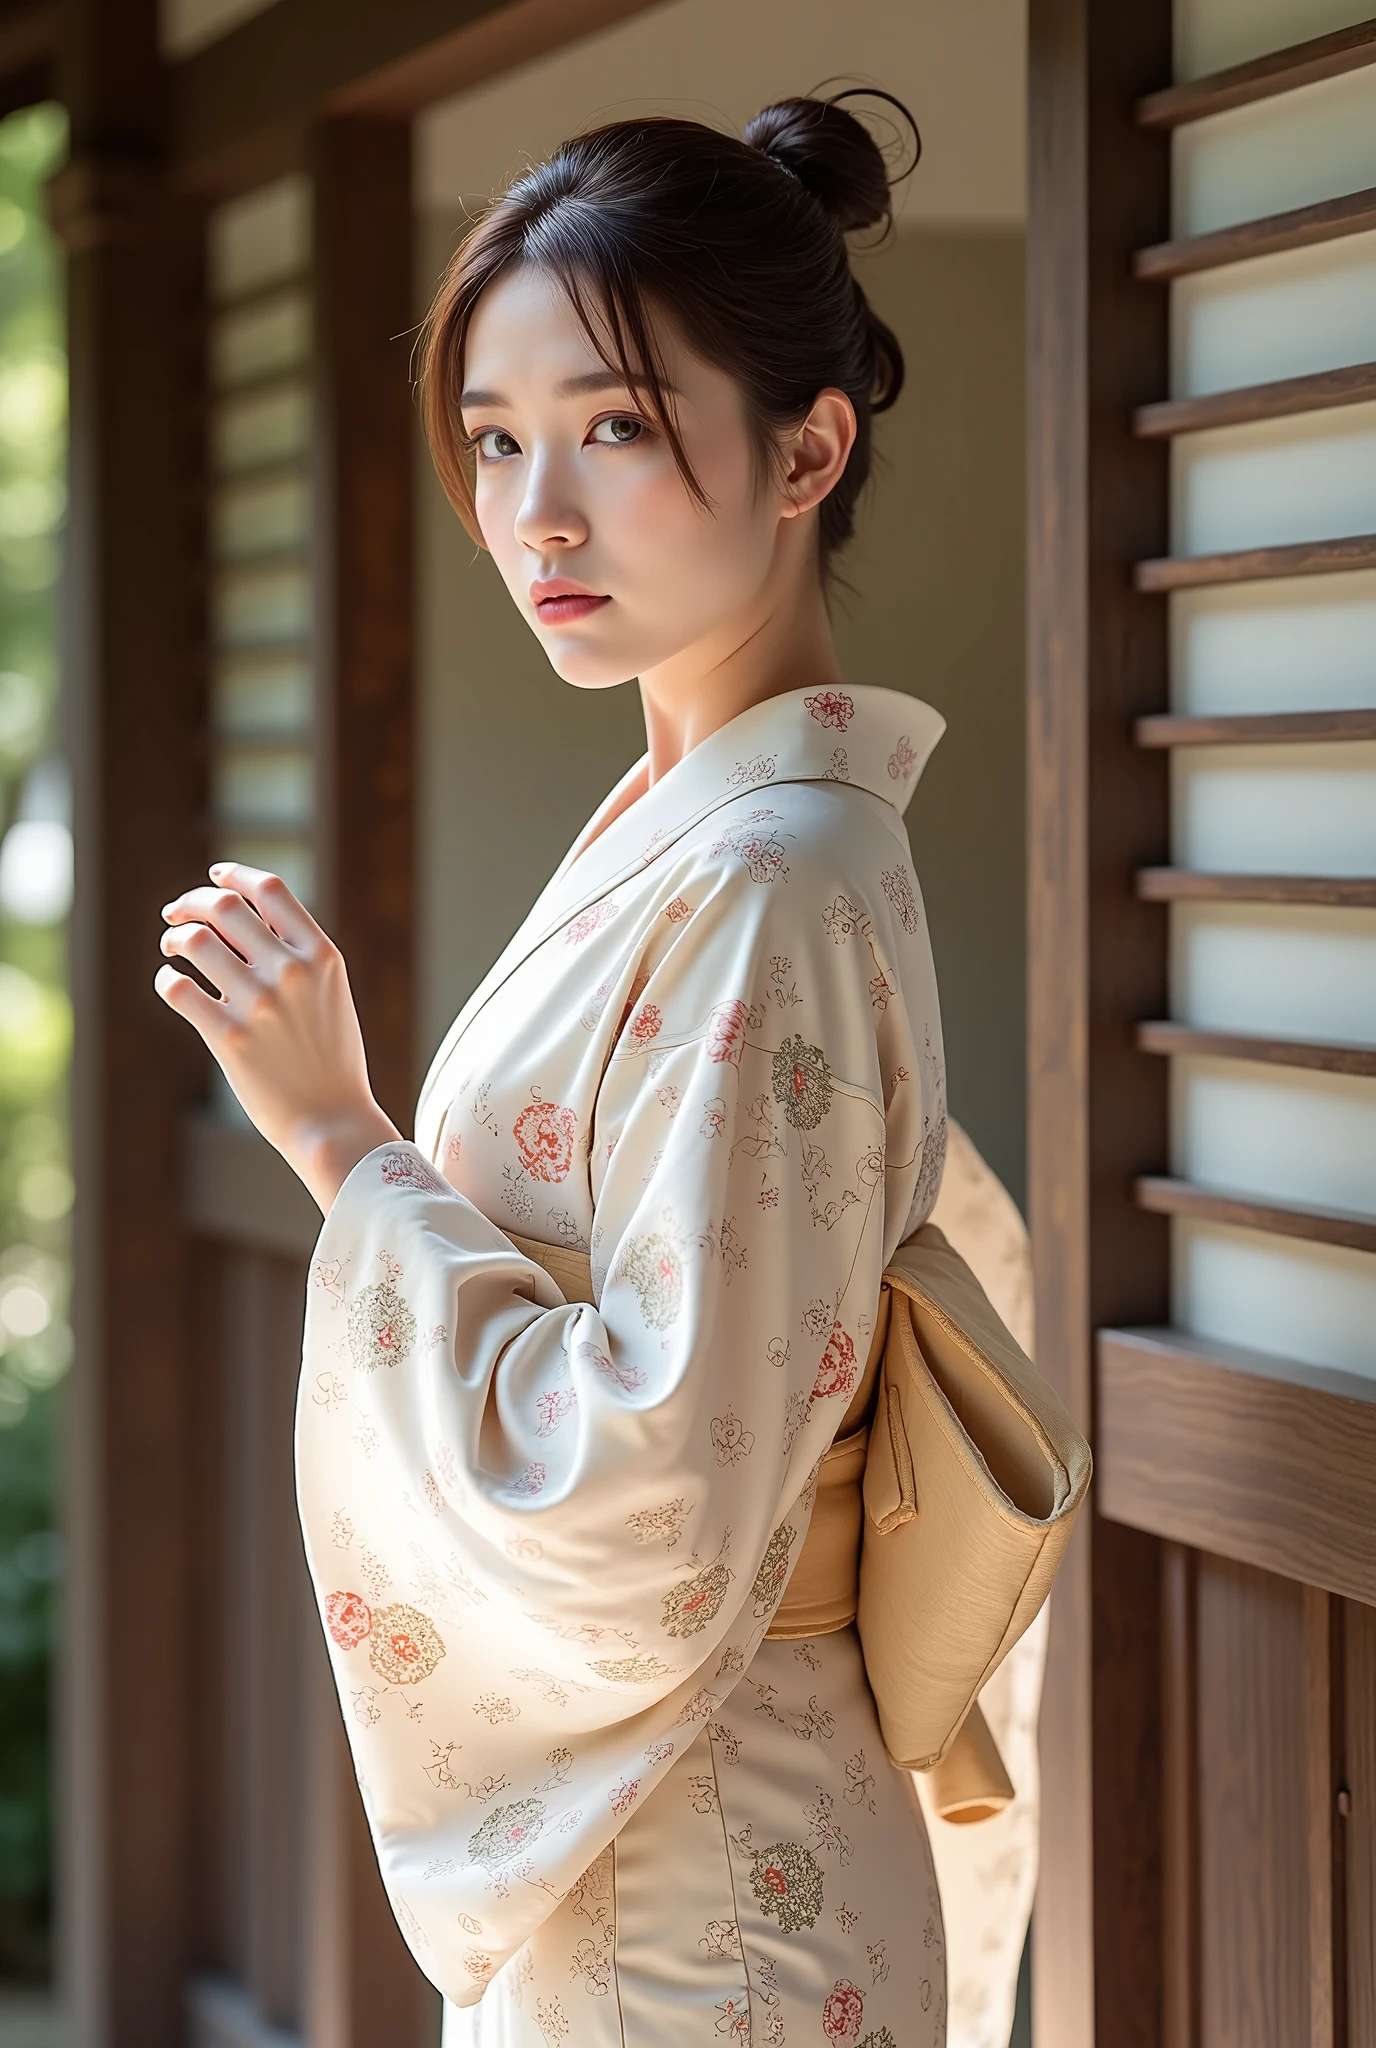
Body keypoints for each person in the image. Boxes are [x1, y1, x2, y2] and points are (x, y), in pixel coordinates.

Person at [158, 94, 955, 2046]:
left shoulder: (774, 874)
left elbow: (656, 1494)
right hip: (692, 1844)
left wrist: (340, 1134)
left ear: (809, 448)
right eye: (498, 442)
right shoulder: (705, 826)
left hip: (702, 1900)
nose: (538, 514)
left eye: (610, 427)